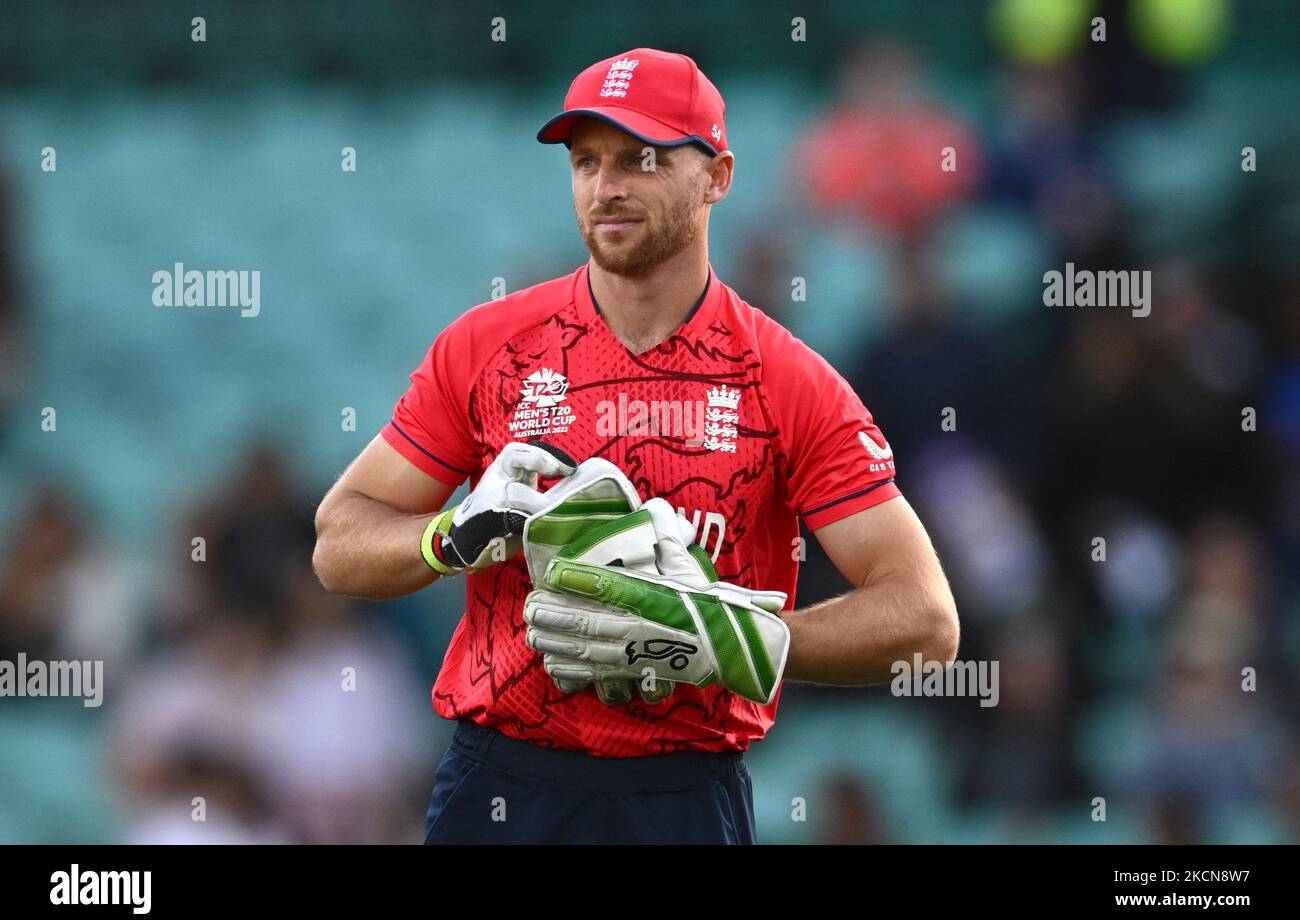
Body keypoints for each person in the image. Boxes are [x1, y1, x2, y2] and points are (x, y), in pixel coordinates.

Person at [313, 47, 959, 844]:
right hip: (501, 784)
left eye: (641, 159)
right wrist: (454, 532)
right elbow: (337, 542)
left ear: (717, 176)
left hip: (682, 795)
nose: (605, 186)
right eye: (586, 162)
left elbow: (928, 620)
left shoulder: (788, 380)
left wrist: (737, 640)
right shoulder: (488, 347)